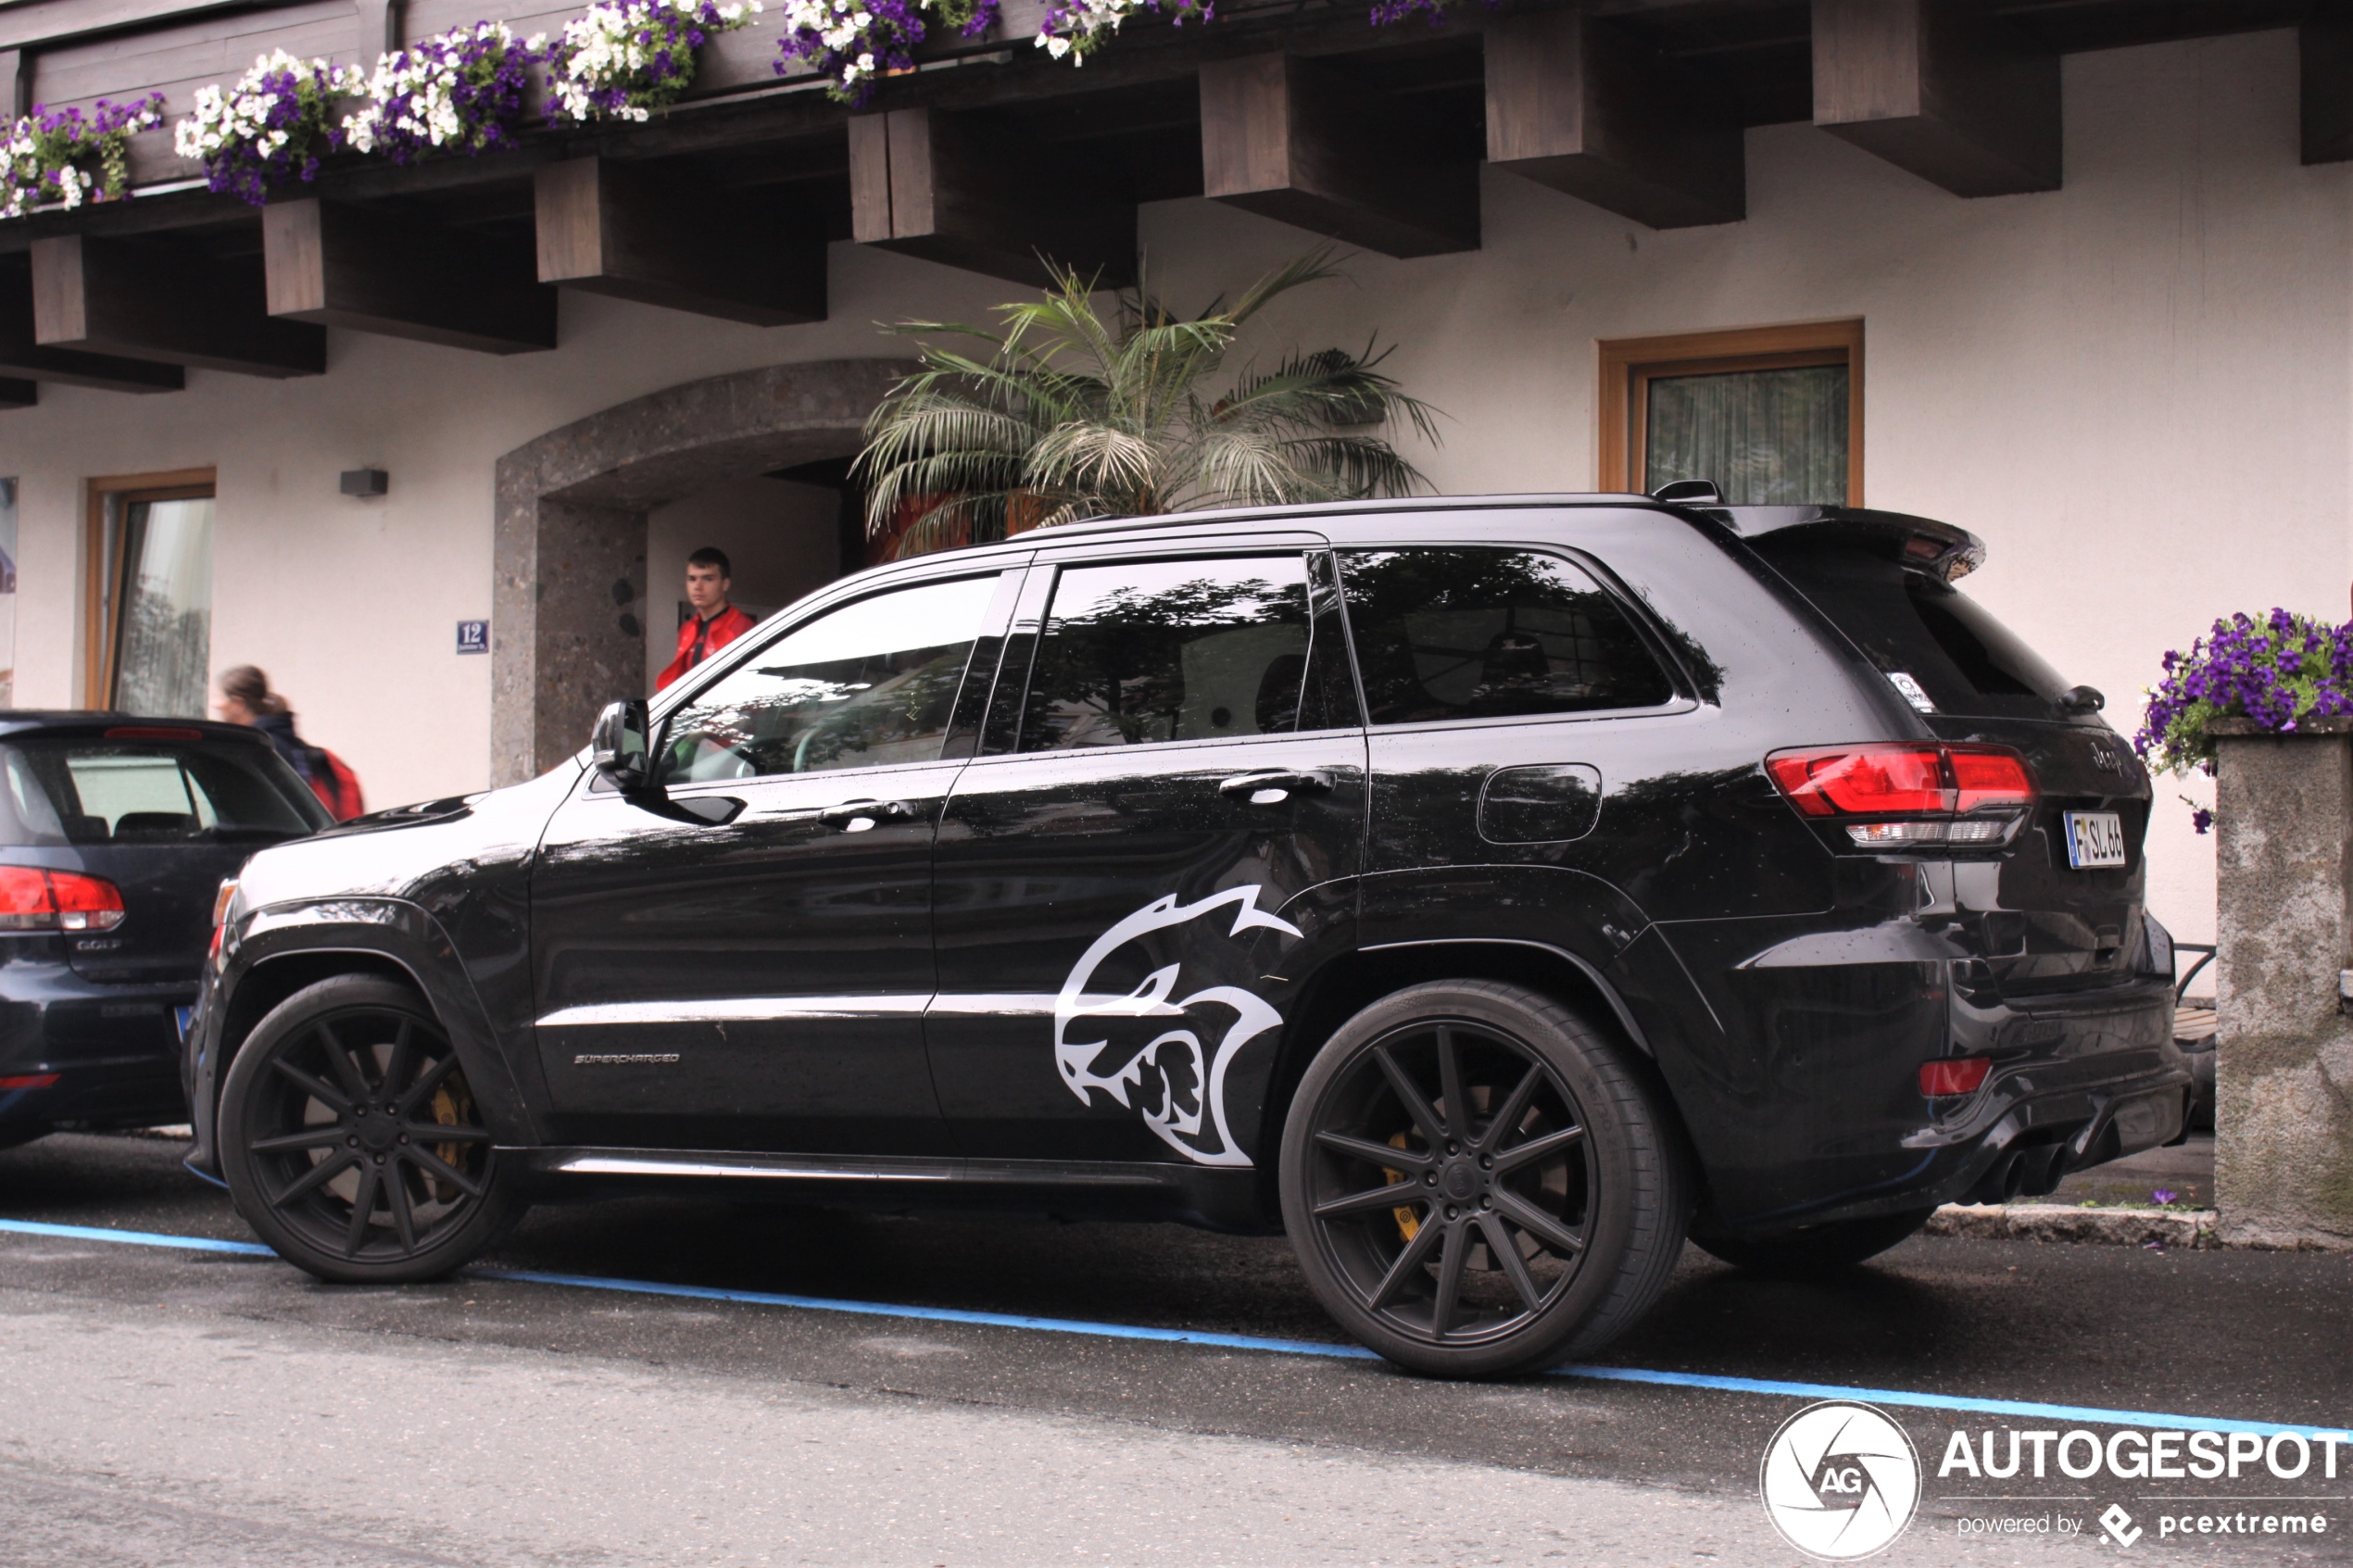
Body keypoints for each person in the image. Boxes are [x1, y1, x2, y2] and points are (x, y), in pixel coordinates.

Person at [215, 666, 366, 822]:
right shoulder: (281, 741)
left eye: (220, 698)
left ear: (237, 704)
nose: (215, 704)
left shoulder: (263, 750)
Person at [656, 546, 758, 692]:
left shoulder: (743, 628)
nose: (697, 586)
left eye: (708, 579)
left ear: (725, 584)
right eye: (692, 579)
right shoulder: (688, 628)